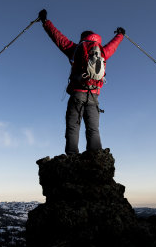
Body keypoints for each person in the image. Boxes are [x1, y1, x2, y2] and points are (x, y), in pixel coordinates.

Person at [38, 9, 124, 155]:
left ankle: (72, 158)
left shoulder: (76, 48)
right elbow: (113, 46)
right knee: (93, 129)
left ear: (82, 38)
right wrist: (120, 35)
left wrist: (46, 22)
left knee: (73, 126)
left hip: (77, 94)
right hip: (94, 96)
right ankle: (96, 157)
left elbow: (58, 38)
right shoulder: (102, 51)